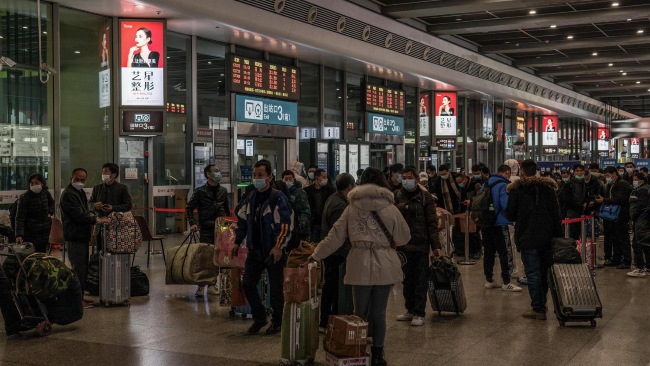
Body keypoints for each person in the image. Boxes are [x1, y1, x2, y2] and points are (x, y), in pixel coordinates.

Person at [311, 167, 410, 366]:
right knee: (379, 313)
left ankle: (358, 350)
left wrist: (315, 255)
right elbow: (404, 237)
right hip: (385, 264)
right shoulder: (391, 208)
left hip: (359, 262)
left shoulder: (352, 208)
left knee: (359, 312)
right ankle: (379, 355)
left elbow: (335, 236)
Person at [233, 160, 293, 335]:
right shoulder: (250, 197)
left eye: (260, 175)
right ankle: (260, 317)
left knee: (275, 288)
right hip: (255, 250)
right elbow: (243, 222)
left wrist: (278, 247)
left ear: (269, 177)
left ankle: (277, 322)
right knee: (248, 283)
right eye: (254, 175)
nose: (256, 178)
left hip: (273, 251)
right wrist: (237, 241)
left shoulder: (277, 198)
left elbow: (285, 225)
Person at [506, 160, 562, 320]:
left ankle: (537, 308)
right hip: (547, 237)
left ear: (521, 172)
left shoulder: (517, 190)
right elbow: (556, 215)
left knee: (532, 272)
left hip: (527, 236)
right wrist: (557, 237)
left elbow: (510, 214)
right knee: (544, 271)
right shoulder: (549, 189)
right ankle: (542, 304)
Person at [394, 166, 441, 326]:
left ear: (416, 179)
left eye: (409, 177)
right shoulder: (398, 195)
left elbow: (432, 223)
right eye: (404, 177)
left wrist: (436, 246)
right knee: (406, 280)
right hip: (403, 245)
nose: (406, 180)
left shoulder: (425, 197)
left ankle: (419, 312)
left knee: (420, 280)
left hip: (421, 244)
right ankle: (410, 309)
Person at [61, 168, 109, 309]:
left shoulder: (79, 192)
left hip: (81, 236)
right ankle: (76, 300)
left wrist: (93, 211)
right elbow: (79, 215)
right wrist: (97, 220)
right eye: (78, 179)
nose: (80, 182)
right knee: (78, 269)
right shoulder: (69, 194)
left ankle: (80, 297)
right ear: (71, 177)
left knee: (83, 269)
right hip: (74, 236)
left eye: (83, 180)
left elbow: (84, 210)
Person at [186, 164, 230, 296]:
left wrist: (229, 225)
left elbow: (227, 209)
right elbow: (189, 208)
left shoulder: (223, 191)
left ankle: (213, 284)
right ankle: (200, 285)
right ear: (208, 175)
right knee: (205, 257)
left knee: (220, 256)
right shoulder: (200, 191)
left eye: (219, 170)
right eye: (215, 171)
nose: (218, 173)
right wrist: (192, 223)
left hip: (221, 227)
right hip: (206, 228)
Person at [318, 173, 355, 329]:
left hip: (333, 251)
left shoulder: (334, 198)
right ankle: (328, 320)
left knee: (330, 286)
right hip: (337, 253)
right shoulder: (339, 205)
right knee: (333, 287)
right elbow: (340, 232)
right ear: (348, 188)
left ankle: (327, 319)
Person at [483, 165, 522, 292]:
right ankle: (506, 281)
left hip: (486, 223)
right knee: (504, 252)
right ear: (506, 173)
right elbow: (505, 205)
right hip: (500, 223)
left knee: (489, 252)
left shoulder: (487, 183)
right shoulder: (503, 184)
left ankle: (489, 280)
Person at [90, 163, 133, 252]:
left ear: (114, 174)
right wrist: (94, 206)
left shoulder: (122, 188)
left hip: (117, 226)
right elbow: (89, 204)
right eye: (103, 172)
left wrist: (113, 208)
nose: (103, 174)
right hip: (100, 225)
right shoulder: (97, 188)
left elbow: (128, 205)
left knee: (115, 251)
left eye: (106, 172)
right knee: (100, 251)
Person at [596, 166, 632, 269]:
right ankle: (616, 259)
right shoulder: (610, 184)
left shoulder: (622, 184)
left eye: (608, 175)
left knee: (623, 238)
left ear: (614, 174)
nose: (607, 177)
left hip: (621, 215)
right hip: (612, 216)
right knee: (615, 238)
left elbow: (619, 199)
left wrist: (604, 200)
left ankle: (627, 260)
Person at [14, 173, 55, 253]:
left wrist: (50, 212)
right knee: (30, 256)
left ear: (42, 184)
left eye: (36, 183)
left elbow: (52, 203)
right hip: (30, 232)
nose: (34, 185)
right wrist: (19, 234)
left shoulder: (45, 193)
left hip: (44, 231)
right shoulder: (25, 197)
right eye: (32, 183)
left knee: (41, 255)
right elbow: (20, 217)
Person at [280, 170, 311, 245]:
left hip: (298, 229)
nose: (288, 181)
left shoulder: (300, 193)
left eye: (290, 179)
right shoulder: (279, 193)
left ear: (294, 180)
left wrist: (300, 225)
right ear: (282, 180)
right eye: (286, 179)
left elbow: (306, 210)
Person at [304, 169, 335, 242]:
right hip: (313, 223)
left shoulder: (330, 190)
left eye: (326, 177)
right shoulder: (307, 191)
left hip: (326, 223)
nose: (326, 179)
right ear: (316, 178)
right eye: (323, 177)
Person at [629, 173, 650, 277]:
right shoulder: (645, 189)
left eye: (636, 180)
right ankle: (648, 267)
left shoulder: (642, 190)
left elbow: (641, 205)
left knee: (637, 243)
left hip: (641, 220)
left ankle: (640, 268)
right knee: (645, 243)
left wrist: (633, 215)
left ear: (642, 180)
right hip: (645, 220)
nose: (634, 182)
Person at [561, 164, 587, 241]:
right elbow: (567, 199)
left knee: (578, 235)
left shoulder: (584, 183)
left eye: (581, 171)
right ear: (574, 172)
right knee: (571, 235)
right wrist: (579, 206)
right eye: (577, 171)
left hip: (581, 213)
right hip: (571, 213)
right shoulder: (569, 184)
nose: (579, 173)